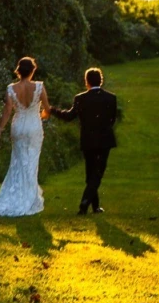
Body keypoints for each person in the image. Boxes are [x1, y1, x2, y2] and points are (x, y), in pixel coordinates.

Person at [0, 56, 50, 217]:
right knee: (31, 162)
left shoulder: (11, 88)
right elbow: (47, 109)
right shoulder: (39, 86)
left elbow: (8, 111)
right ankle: (28, 199)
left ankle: (19, 197)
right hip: (34, 126)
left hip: (18, 127)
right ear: (32, 71)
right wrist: (41, 116)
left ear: (18, 71)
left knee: (18, 162)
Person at [50, 67, 118, 215]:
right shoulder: (111, 98)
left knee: (91, 173)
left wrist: (52, 110)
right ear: (101, 80)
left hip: (88, 140)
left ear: (86, 81)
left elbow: (69, 116)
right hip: (104, 139)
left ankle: (94, 207)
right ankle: (85, 203)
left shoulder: (80, 98)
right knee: (97, 174)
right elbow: (112, 119)